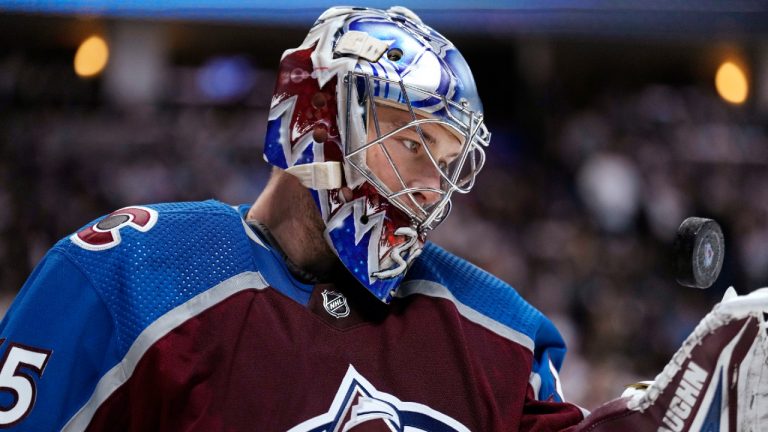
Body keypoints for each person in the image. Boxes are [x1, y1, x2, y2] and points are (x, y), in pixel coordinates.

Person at [1, 6, 767, 432]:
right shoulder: (130, 273)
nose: (432, 182)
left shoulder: (496, 331)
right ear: (316, 117)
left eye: (448, 158)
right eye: (409, 139)